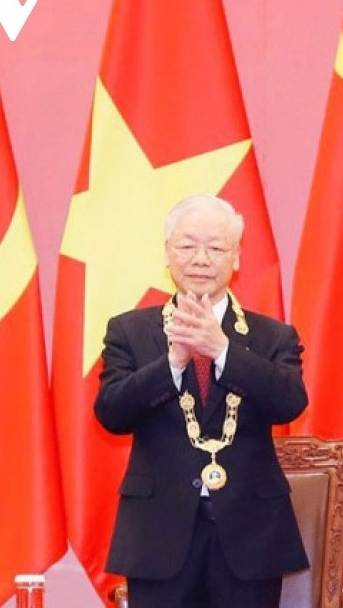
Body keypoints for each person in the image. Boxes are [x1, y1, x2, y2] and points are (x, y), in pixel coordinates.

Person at [95, 194, 309, 608]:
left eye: (215, 248)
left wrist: (224, 350)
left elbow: (290, 402)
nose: (200, 259)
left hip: (251, 537)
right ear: (168, 254)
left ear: (236, 258)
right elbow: (112, 412)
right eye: (188, 246)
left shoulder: (273, 336)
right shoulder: (129, 331)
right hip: (158, 536)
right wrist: (172, 362)